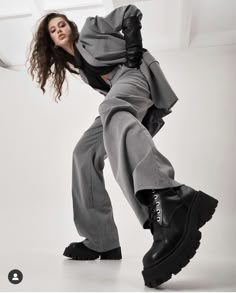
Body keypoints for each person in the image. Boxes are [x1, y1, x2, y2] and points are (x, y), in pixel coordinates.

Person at [27, 4, 218, 289]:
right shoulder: (79, 67)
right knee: (84, 152)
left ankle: (168, 201)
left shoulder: (91, 30)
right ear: (51, 41)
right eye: (53, 31)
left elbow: (129, 10)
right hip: (118, 91)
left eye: (61, 25)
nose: (58, 31)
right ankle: (101, 241)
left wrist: (133, 48)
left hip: (132, 75)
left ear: (71, 26)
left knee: (112, 107)